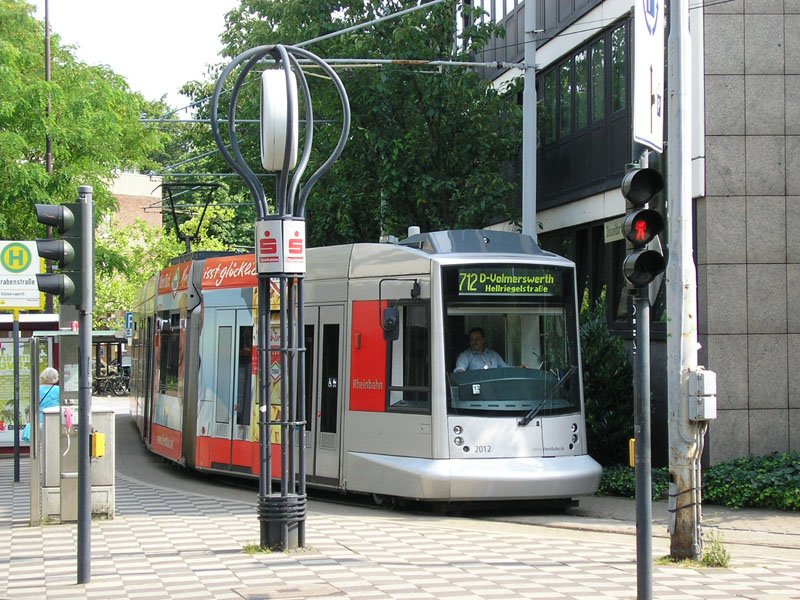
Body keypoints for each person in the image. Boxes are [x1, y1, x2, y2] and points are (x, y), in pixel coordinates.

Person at [22, 367, 60, 443]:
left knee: (38, 446)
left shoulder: (36, 389)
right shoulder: (59, 390)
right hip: (53, 421)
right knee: (52, 444)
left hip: (37, 421)